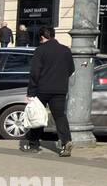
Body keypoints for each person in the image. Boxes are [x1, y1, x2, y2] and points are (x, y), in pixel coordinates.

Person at [22, 26, 75, 156]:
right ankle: (66, 141)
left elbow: (35, 72)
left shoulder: (40, 50)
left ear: (41, 37)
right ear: (53, 35)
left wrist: (31, 92)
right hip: (60, 89)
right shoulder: (65, 50)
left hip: (42, 89)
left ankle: (34, 144)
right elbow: (71, 69)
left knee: (38, 114)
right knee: (60, 116)